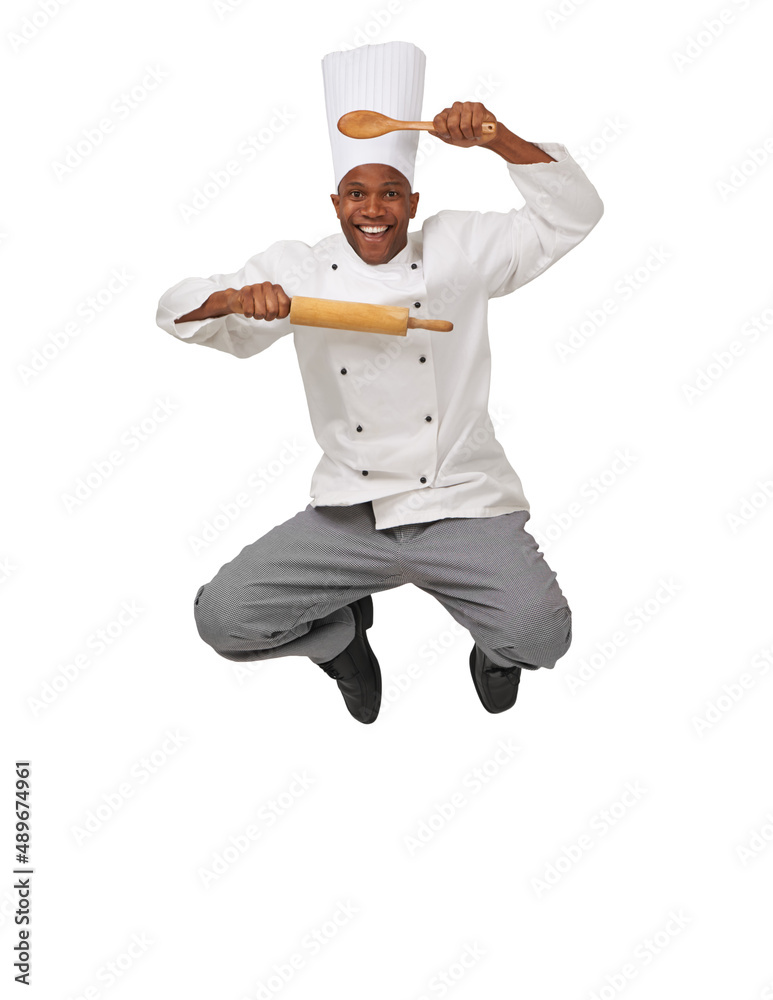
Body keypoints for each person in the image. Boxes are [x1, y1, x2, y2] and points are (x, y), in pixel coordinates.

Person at [155, 41, 604, 725]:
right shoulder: (299, 268)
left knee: (543, 638)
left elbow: (572, 214)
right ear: (336, 201)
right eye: (357, 194)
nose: (373, 209)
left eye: (389, 193)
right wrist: (232, 301)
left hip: (461, 500)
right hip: (351, 512)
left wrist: (496, 139)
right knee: (223, 621)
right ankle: (338, 638)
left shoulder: (459, 248)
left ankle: (497, 650)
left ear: (411, 199)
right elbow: (180, 308)